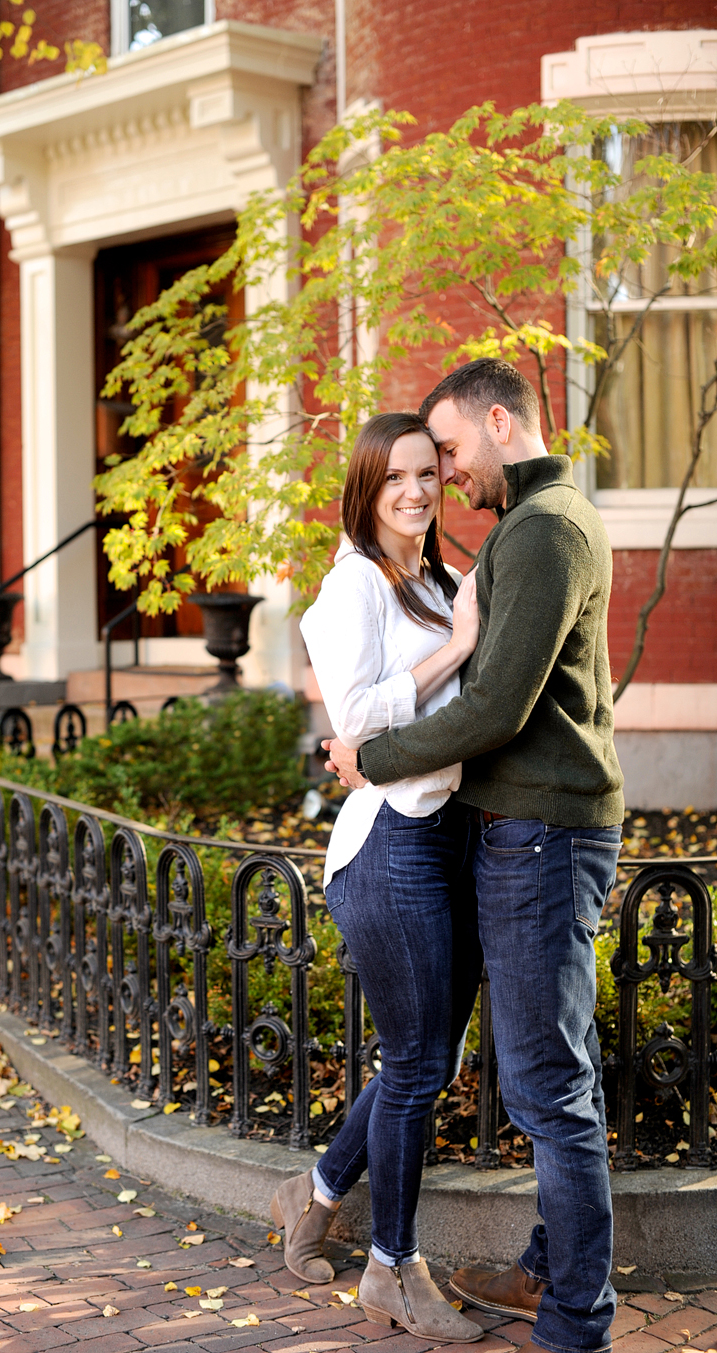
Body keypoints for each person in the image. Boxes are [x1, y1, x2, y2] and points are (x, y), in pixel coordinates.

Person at [325, 359, 625, 1353]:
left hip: (541, 833)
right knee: (539, 1068)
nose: (445, 476)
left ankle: (575, 1318)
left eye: (449, 452)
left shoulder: (540, 532)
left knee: (546, 1083)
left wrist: (367, 758)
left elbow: (496, 706)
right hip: (524, 830)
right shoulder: (535, 526)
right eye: (419, 465)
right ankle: (547, 1273)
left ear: (502, 422)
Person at [270, 412, 485, 1343]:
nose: (416, 490)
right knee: (420, 1064)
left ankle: (311, 1194)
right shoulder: (350, 587)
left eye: (428, 474)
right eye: (395, 476)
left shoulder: (443, 579)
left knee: (419, 1059)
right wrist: (459, 647)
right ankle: (393, 1269)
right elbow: (355, 719)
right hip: (388, 841)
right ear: (366, 487)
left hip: (452, 838)